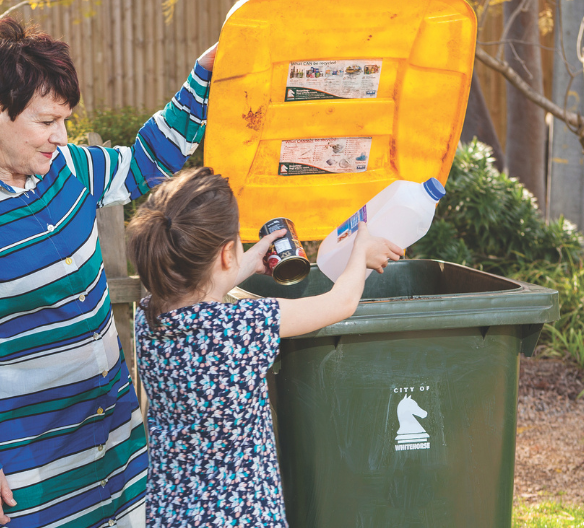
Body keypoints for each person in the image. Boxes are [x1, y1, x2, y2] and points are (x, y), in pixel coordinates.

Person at [0, 16, 216, 528]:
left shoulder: (66, 169)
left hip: (115, 440)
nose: (60, 136)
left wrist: (201, 76)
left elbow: (144, 163)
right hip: (30, 468)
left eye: (64, 120)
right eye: (46, 122)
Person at [126, 167, 403, 527]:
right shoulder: (245, 324)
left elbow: (192, 293)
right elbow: (341, 303)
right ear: (226, 254)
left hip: (173, 510)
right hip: (243, 513)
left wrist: (247, 260)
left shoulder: (148, 317)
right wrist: (360, 251)